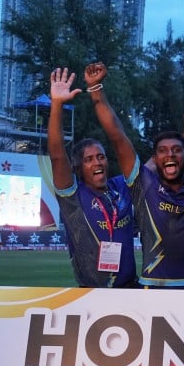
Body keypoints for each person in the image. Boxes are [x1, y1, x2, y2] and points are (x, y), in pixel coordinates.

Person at [84, 62, 184, 288]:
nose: (169, 155)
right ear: (155, 158)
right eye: (162, 151)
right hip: (153, 288)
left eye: (176, 150)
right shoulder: (144, 184)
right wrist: (96, 90)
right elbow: (117, 135)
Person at [47, 66, 137, 288]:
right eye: (89, 160)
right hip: (91, 295)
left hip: (130, 290)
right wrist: (57, 104)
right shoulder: (73, 197)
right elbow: (58, 156)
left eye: (101, 157)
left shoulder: (121, 186)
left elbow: (120, 138)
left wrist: (96, 90)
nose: (97, 162)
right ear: (78, 168)